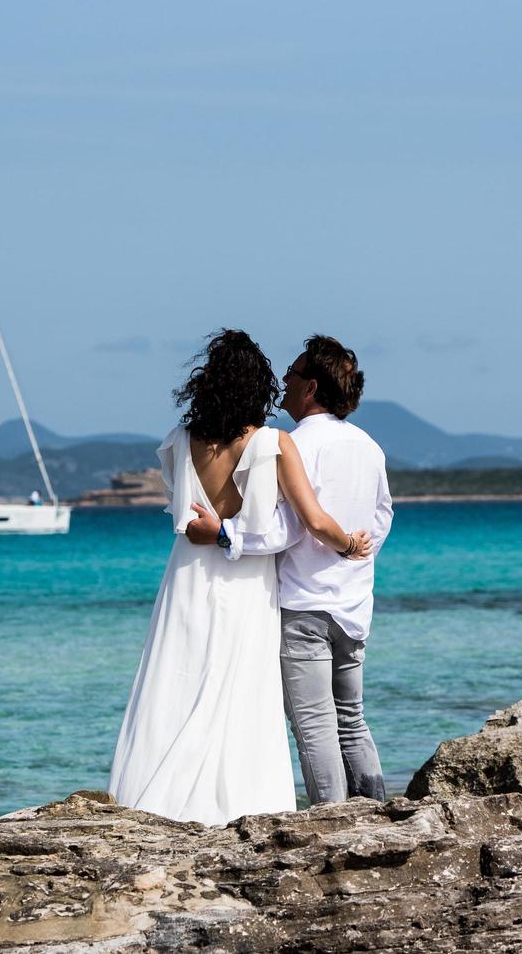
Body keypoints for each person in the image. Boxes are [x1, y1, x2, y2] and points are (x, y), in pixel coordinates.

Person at [107, 329, 371, 826]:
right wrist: (349, 545)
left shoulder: (181, 441)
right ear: (260, 387)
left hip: (187, 573)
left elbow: (178, 509)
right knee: (242, 688)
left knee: (178, 680)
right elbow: (311, 518)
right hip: (247, 580)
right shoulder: (273, 442)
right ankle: (239, 803)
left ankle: (156, 798)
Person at [188, 335, 392, 805]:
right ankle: (379, 810)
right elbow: (382, 516)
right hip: (355, 602)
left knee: (314, 723)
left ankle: (333, 821)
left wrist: (224, 534)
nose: (284, 380)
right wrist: (359, 551)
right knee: (351, 717)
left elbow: (285, 528)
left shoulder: (294, 445)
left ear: (310, 387)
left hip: (304, 602)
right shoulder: (369, 446)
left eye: (293, 374)